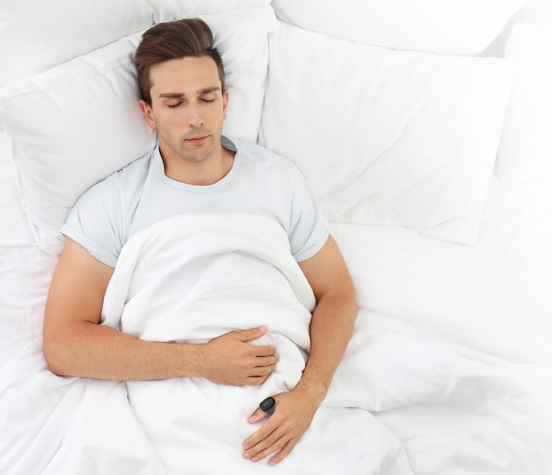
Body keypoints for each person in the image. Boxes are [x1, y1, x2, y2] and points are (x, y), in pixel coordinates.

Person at [42, 17, 358, 467]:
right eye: (174, 103)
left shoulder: (278, 181)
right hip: (178, 405)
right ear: (148, 113)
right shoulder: (110, 204)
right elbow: (64, 345)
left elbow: (338, 293)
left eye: (207, 98)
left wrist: (310, 393)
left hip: (285, 396)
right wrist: (201, 362)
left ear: (225, 102)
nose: (195, 117)